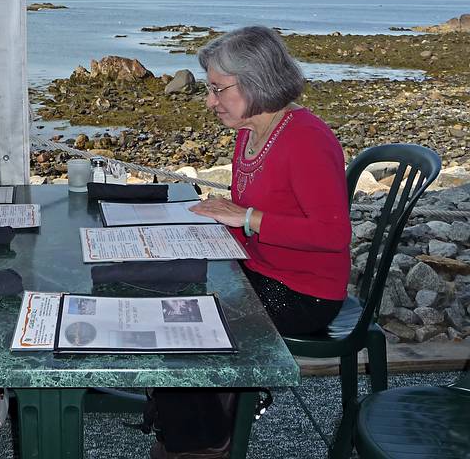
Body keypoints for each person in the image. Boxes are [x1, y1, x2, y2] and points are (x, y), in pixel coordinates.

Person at [149, 26, 351, 459]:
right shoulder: (249, 132)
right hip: (257, 266)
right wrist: (225, 217)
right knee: (160, 286)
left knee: (181, 321)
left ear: (257, 83)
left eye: (218, 89)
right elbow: (257, 214)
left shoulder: (307, 139)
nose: (209, 101)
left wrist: (247, 217)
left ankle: (205, 441)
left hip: (302, 293)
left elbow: (333, 236)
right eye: (210, 89)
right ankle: (198, 411)